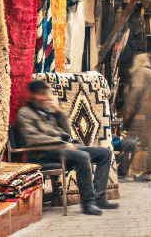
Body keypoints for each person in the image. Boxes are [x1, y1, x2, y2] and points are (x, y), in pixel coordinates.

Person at [14, 80, 119, 216]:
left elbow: (66, 132)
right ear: (31, 95)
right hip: (42, 153)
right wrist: (63, 145)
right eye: (39, 94)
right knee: (83, 157)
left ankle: (99, 198)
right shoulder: (25, 113)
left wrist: (58, 113)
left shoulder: (46, 112)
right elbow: (33, 140)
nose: (44, 97)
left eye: (45, 94)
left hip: (60, 149)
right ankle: (88, 203)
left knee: (105, 154)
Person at [124, 53, 151, 181]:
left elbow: (135, 90)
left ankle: (130, 172)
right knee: (148, 142)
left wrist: (129, 110)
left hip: (140, 112)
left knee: (134, 141)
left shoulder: (140, 72)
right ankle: (147, 171)